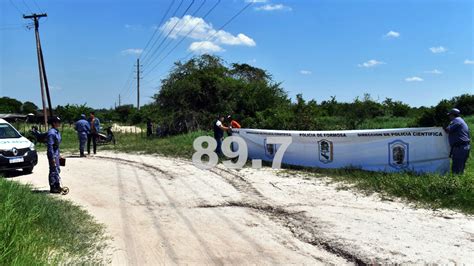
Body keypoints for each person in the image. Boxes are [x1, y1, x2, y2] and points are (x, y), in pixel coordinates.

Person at [444, 108, 471, 174]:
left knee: (456, 169)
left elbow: (448, 130)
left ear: (453, 115)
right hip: (464, 146)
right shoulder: (461, 120)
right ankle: (461, 182)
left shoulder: (456, 121)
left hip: (460, 147)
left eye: (450, 115)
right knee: (461, 167)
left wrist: (442, 126)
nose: (449, 117)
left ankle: (456, 183)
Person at [47, 116, 63, 193]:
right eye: (58, 122)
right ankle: (53, 187)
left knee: (57, 169)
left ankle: (57, 185)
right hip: (52, 153)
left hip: (56, 153)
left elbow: (57, 145)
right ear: (54, 123)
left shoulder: (57, 131)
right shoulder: (51, 133)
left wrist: (59, 154)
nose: (59, 123)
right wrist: (52, 157)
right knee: (53, 170)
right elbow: (50, 146)